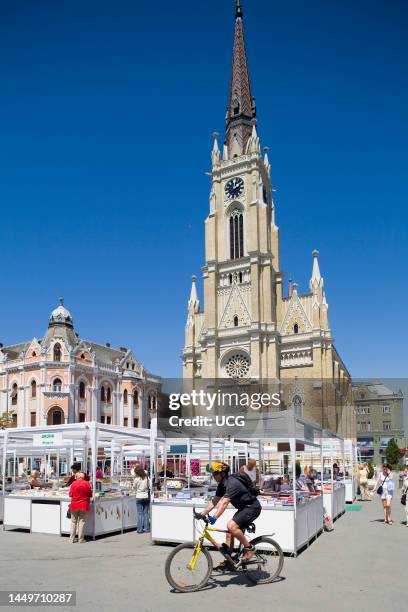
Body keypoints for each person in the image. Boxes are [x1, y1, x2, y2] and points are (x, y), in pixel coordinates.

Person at [199, 461, 261, 567]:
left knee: (231, 526)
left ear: (223, 473)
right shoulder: (221, 485)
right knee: (229, 533)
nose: (213, 476)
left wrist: (214, 517)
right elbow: (214, 501)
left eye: (215, 474)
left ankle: (249, 548)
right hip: (243, 508)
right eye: (213, 474)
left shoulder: (232, 483)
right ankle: (230, 561)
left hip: (252, 507)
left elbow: (224, 503)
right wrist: (202, 513)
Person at [68, 472, 92, 543]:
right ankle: (81, 539)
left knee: (73, 522)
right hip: (83, 504)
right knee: (82, 521)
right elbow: (90, 494)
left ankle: (71, 539)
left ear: (77, 477)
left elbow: (70, 495)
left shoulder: (73, 484)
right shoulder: (87, 483)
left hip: (74, 504)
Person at [133, 466, 150, 533]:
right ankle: (146, 528)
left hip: (139, 496)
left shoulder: (136, 479)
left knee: (140, 514)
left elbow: (134, 487)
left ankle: (139, 529)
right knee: (146, 513)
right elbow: (150, 486)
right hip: (146, 496)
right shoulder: (147, 478)